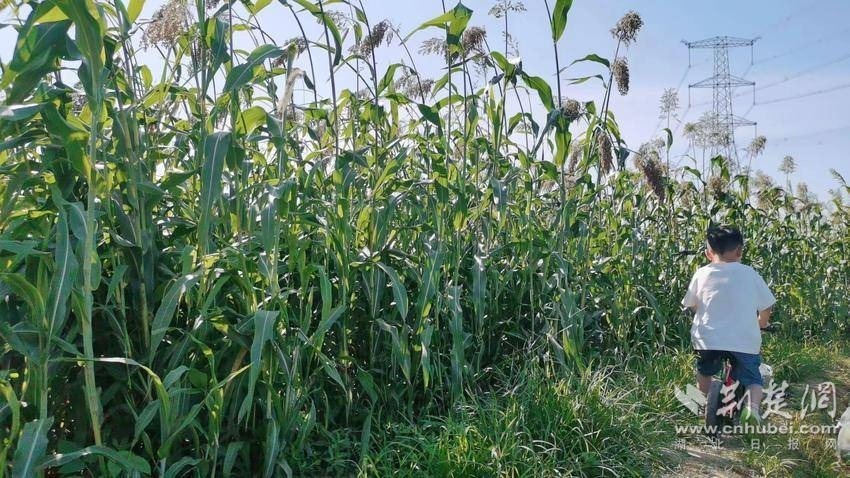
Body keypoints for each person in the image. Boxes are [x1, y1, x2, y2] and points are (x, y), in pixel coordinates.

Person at [682, 226, 776, 426]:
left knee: (705, 371)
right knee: (753, 379)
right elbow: (767, 306)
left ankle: (703, 405)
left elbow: (691, 304)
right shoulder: (749, 274)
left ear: (708, 253)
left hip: (707, 340)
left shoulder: (701, 273)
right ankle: (752, 410)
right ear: (739, 250)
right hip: (743, 340)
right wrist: (762, 323)